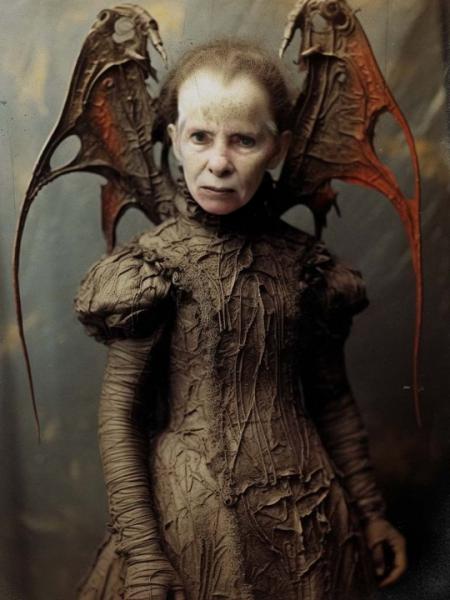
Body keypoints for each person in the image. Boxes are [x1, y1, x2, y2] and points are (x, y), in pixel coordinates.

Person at [74, 40, 407, 600]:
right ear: (174, 138)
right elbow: (119, 418)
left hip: (312, 526)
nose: (219, 162)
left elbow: (332, 399)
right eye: (200, 137)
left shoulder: (306, 268)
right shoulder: (151, 271)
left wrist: (371, 512)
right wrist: (145, 556)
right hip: (191, 526)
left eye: (244, 140)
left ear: (278, 148)